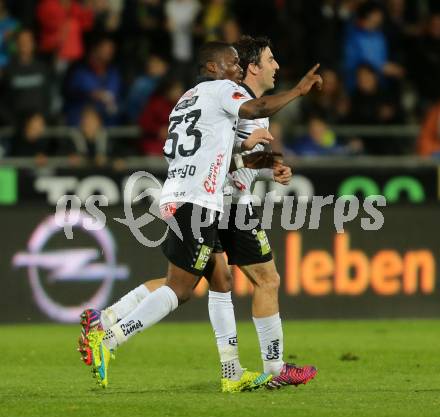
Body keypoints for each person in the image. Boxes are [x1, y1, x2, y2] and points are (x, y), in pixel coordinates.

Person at [80, 40, 322, 389]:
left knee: (211, 281)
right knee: (188, 287)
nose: (238, 68)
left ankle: (230, 372)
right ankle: (108, 336)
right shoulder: (229, 94)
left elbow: (224, 154)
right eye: (235, 62)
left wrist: (268, 164)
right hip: (215, 202)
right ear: (215, 67)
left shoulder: (188, 99)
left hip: (190, 195)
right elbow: (246, 126)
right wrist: (299, 91)